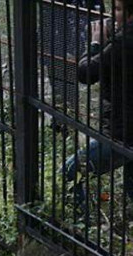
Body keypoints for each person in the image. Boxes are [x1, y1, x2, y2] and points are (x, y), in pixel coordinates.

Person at [63, 0, 133, 208]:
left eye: (118, 10)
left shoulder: (124, 43)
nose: (113, 15)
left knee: (71, 170)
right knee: (131, 187)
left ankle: (79, 229)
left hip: (121, 134)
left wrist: (95, 43)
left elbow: (85, 74)